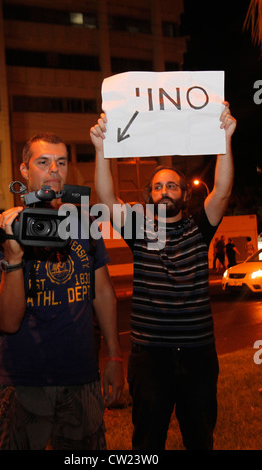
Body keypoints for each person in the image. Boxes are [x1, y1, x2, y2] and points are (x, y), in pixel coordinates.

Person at [90, 102, 236, 450]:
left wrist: (225, 139)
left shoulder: (198, 228)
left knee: (200, 439)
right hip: (149, 357)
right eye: (158, 187)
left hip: (199, 355)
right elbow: (107, 198)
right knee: (147, 441)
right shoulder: (140, 228)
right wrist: (101, 149)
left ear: (185, 195)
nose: (165, 191)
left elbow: (223, 190)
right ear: (149, 195)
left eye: (173, 186)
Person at [0, 132, 124, 450]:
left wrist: (114, 355)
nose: (54, 170)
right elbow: (7, 321)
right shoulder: (5, 230)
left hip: (81, 376)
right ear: (24, 170)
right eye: (43, 162)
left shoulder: (85, 223)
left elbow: (102, 294)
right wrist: (14, 259)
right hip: (22, 381)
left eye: (61, 162)